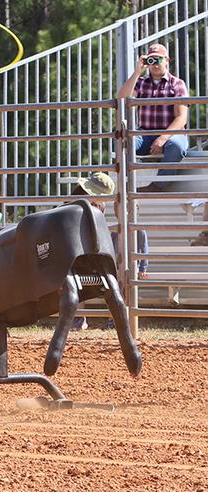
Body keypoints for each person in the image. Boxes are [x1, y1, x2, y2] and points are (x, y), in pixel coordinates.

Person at [69, 171, 149, 329]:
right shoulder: (79, 200)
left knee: (113, 287)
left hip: (91, 255)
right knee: (78, 283)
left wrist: (142, 266)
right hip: (80, 252)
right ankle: (81, 319)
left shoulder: (102, 209)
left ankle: (115, 320)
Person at [116, 42, 189, 192]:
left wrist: (163, 138)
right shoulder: (141, 83)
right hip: (145, 134)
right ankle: (125, 184)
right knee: (120, 140)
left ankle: (159, 185)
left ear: (167, 60)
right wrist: (137, 72)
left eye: (158, 59)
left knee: (176, 146)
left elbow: (182, 118)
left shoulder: (177, 84)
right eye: (151, 60)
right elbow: (121, 99)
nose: (155, 64)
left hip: (172, 133)